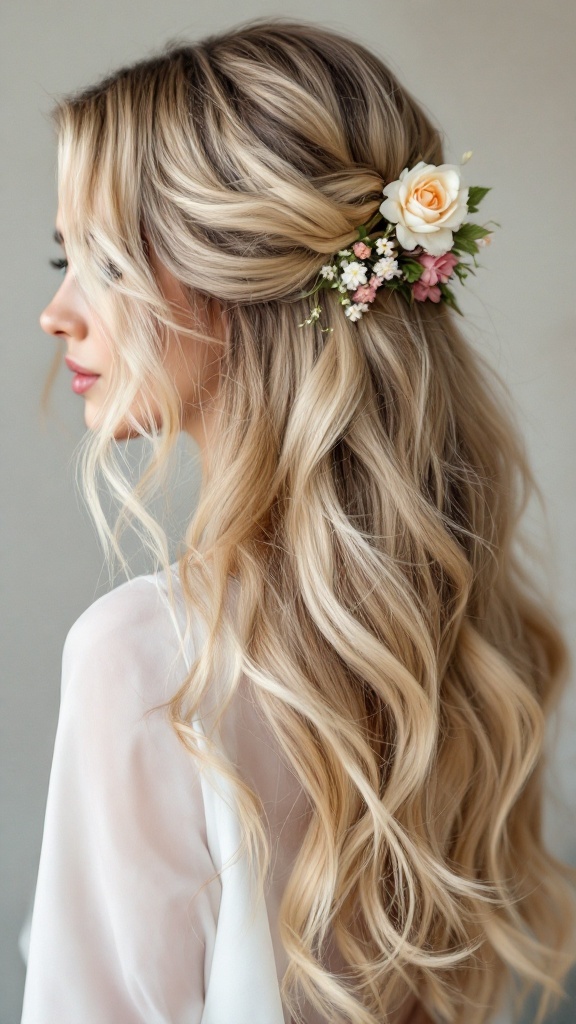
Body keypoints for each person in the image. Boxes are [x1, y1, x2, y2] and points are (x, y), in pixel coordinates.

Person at [20, 17, 576, 1024]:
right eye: (64, 259)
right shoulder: (459, 624)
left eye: (104, 263)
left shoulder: (144, 659)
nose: (57, 312)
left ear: (238, 284)